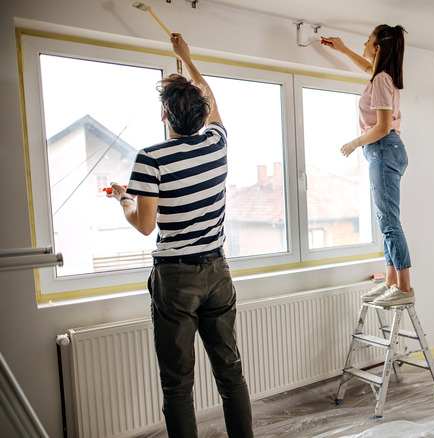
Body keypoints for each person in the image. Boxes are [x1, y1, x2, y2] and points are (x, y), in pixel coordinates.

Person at [106, 33, 253, 437]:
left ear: (164, 116)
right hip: (218, 271)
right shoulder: (217, 145)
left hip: (175, 277)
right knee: (231, 373)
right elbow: (211, 98)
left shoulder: (150, 158)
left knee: (177, 385)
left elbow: (145, 224)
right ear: (202, 116)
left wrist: (123, 199)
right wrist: (186, 58)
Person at [322, 25, 414, 306]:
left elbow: (383, 127)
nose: (364, 44)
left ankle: (404, 287)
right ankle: (390, 282)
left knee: (389, 222)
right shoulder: (381, 76)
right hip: (384, 151)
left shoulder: (382, 80)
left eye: (367, 40)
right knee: (385, 220)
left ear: (378, 48)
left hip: (384, 148)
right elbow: (366, 66)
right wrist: (343, 49)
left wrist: (354, 143)